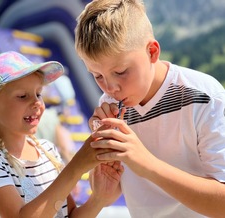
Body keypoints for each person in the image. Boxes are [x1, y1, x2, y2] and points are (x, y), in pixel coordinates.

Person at [74, 0, 225, 217]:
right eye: (97, 76)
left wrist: (146, 163)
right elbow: (119, 192)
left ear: (152, 52)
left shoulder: (204, 95)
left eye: (121, 71)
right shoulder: (107, 104)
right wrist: (105, 181)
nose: (110, 88)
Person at [0, 51, 123, 218]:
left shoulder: (47, 150)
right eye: (22, 96)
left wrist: (98, 199)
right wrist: (76, 167)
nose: (36, 103)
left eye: (38, 94)